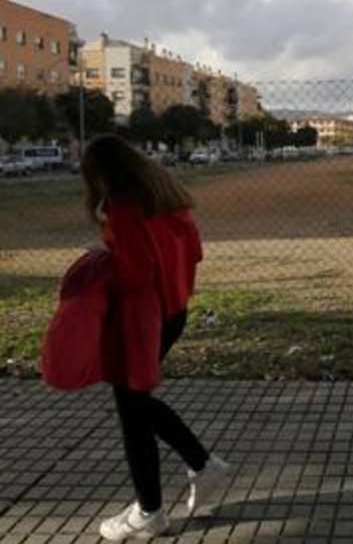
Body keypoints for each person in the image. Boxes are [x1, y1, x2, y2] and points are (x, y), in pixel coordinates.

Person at [80, 134, 232, 541]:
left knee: (132, 408)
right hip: (173, 310)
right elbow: (193, 252)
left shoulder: (123, 204)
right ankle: (199, 468)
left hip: (142, 317)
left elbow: (136, 272)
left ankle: (152, 509)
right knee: (135, 402)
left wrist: (102, 262)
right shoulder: (167, 197)